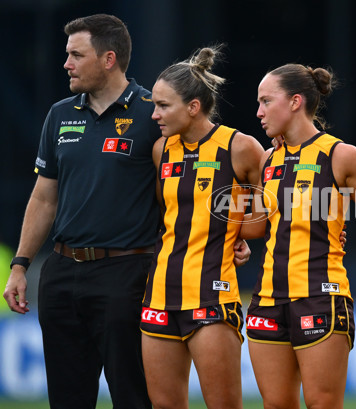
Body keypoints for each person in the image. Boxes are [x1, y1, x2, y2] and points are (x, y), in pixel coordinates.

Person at [1, 14, 250, 408]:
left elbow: (200, 176)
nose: (66, 63)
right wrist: (20, 265)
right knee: (66, 399)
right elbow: (43, 197)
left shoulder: (156, 113)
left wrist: (229, 234)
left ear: (108, 58)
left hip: (127, 274)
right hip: (61, 273)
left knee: (134, 397)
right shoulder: (59, 114)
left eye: (75, 55)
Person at [240, 63, 356, 409]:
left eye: (266, 101)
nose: (258, 112)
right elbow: (258, 225)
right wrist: (236, 239)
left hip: (321, 297)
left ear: (295, 102)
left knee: (322, 404)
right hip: (268, 298)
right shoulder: (267, 160)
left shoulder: (341, 156)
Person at [140, 46, 264, 409]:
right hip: (159, 293)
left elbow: (268, 212)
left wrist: (239, 232)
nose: (154, 114)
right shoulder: (162, 150)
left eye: (163, 106)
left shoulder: (240, 147)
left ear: (193, 107)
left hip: (212, 294)